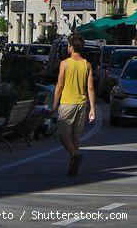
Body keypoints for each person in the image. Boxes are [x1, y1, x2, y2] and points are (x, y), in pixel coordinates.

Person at [53, 33, 97, 176]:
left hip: (67, 103)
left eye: (68, 45)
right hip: (81, 103)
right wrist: (92, 108)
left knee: (63, 134)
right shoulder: (87, 65)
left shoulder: (65, 63)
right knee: (75, 135)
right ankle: (74, 161)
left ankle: (74, 155)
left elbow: (59, 86)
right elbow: (90, 88)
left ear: (71, 47)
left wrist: (54, 106)